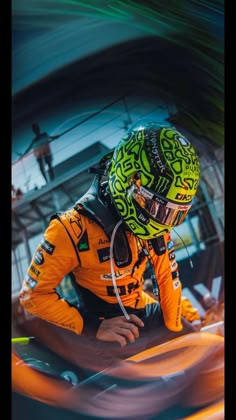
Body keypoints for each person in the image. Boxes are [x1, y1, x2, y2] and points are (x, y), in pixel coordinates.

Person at [19, 119, 201, 364]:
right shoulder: (70, 228)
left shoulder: (154, 221)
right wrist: (91, 327)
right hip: (103, 329)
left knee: (196, 350)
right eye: (158, 208)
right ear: (131, 180)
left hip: (139, 314)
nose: (163, 222)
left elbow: (167, 276)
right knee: (134, 394)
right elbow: (32, 295)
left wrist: (178, 327)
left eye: (173, 213)